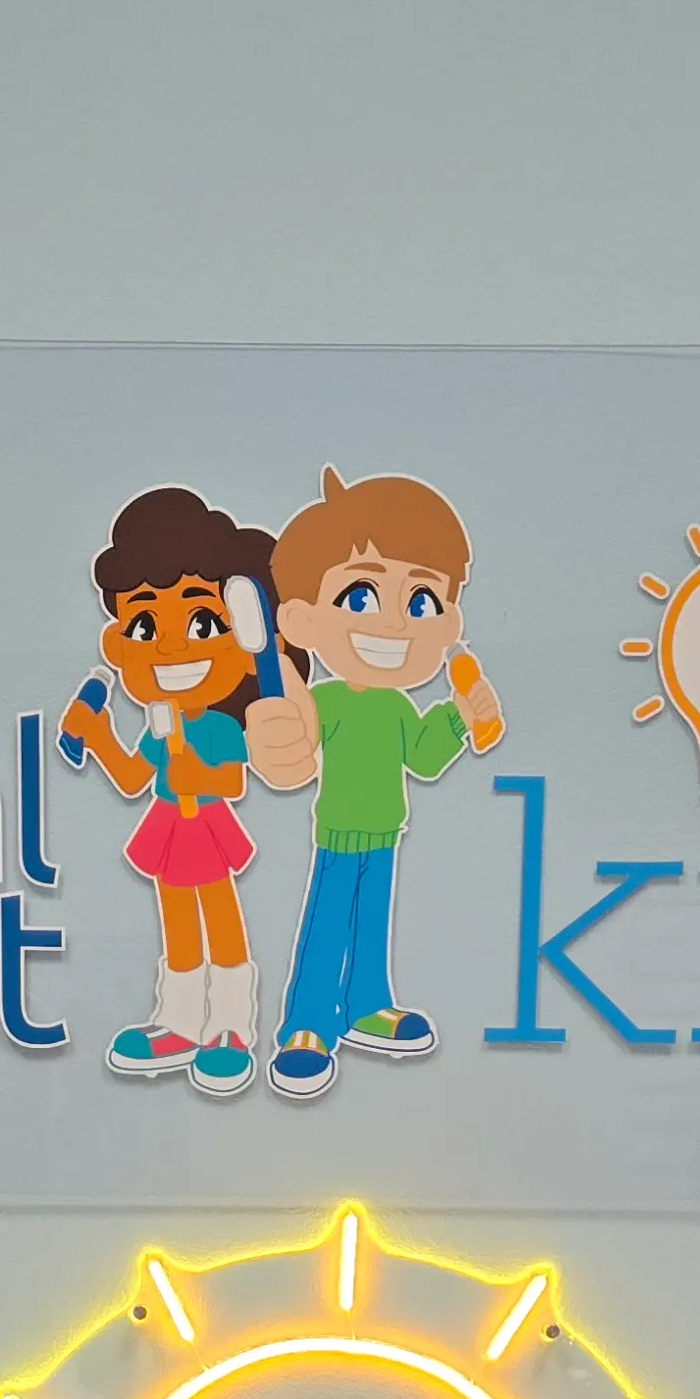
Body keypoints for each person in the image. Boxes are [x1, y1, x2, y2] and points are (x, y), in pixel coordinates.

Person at [241, 464, 504, 1099]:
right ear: (303, 621)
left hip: (386, 830)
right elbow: (296, 747)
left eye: (421, 602)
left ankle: (365, 1007)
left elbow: (424, 757)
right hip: (337, 833)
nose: (391, 624)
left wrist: (459, 714)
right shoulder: (329, 698)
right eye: (360, 597)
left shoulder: (395, 706)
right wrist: (277, 717)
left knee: (372, 923)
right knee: (327, 922)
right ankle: (305, 1026)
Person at [59, 483, 277, 1094]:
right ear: (119, 640)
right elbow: (134, 778)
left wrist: (195, 773)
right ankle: (180, 1020)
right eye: (147, 622)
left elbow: (232, 779)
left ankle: (232, 1025)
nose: (174, 645)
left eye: (201, 619)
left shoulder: (215, 725)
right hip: (165, 827)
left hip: (205, 826)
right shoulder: (162, 723)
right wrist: (99, 736)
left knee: (221, 919)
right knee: (178, 924)